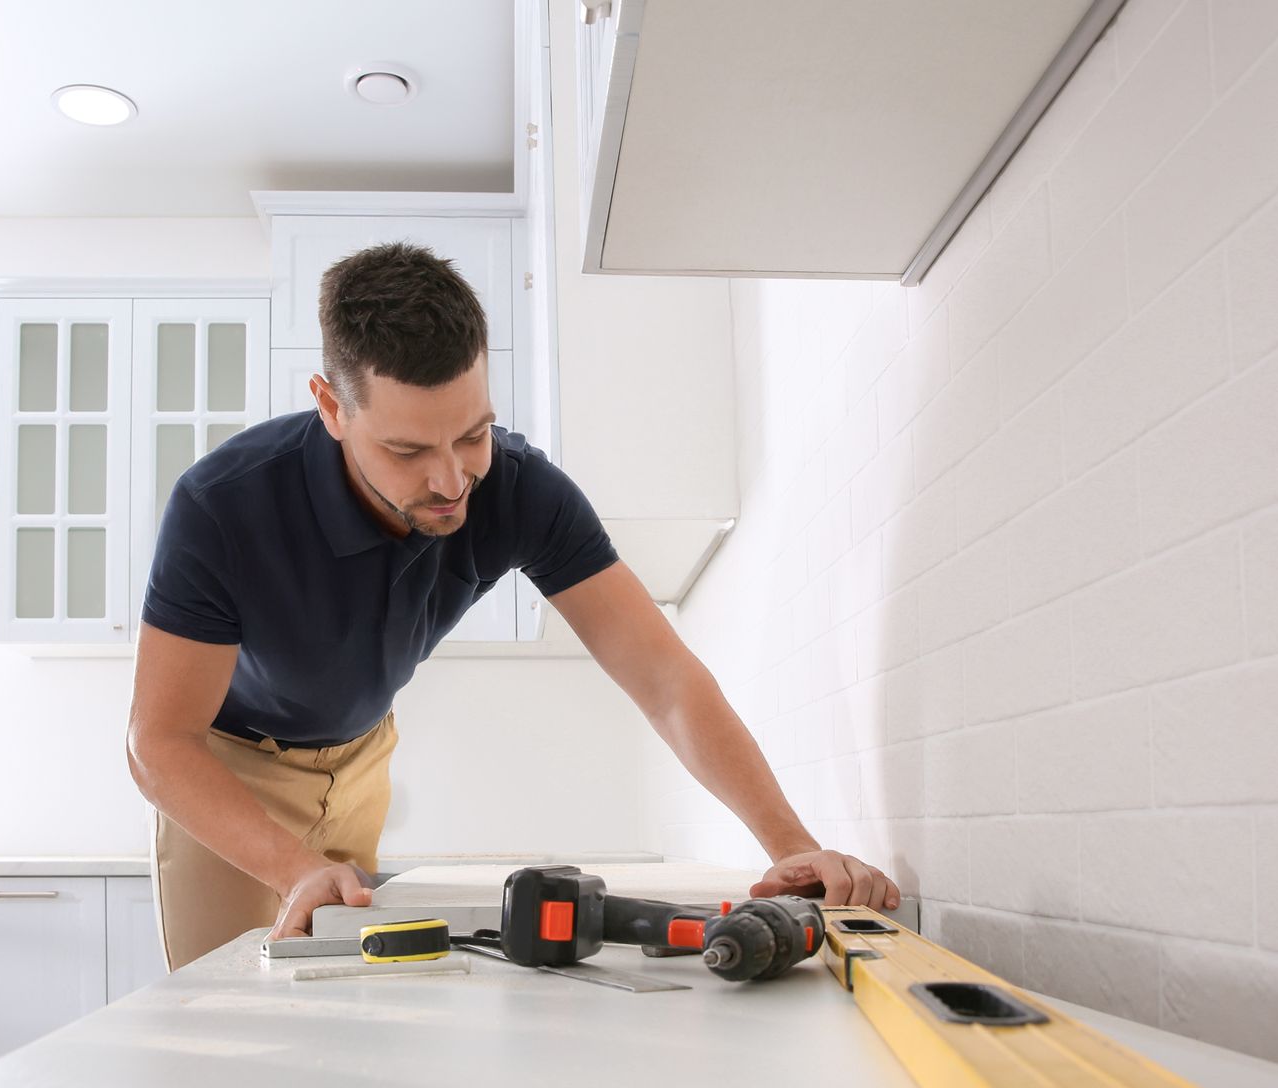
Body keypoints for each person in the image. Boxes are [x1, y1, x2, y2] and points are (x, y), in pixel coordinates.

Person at [126, 242, 900, 969]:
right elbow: (159, 742)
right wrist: (290, 864)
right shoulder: (222, 507)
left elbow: (665, 682)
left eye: (473, 433)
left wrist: (791, 844)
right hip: (225, 765)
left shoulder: (524, 492)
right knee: (221, 1015)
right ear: (332, 408)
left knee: (341, 1004)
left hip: (361, 758)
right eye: (407, 451)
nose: (453, 480)